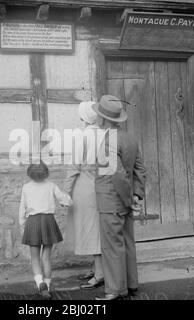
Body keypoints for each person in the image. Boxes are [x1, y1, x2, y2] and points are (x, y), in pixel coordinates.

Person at [92, 95, 146, 301]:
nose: (97, 118)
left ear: (104, 119)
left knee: (112, 245)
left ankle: (115, 290)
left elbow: (117, 174)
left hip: (111, 201)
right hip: (125, 199)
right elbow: (140, 169)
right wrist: (135, 195)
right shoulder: (130, 138)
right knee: (127, 242)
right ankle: (131, 284)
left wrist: (126, 199)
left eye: (99, 115)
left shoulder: (107, 142)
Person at [63, 101, 104, 290]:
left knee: (90, 230)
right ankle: (96, 267)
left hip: (84, 188)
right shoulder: (104, 135)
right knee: (95, 228)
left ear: (84, 118)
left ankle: (100, 273)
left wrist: (66, 192)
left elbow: (73, 168)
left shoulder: (82, 138)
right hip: (100, 186)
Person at [19, 161, 73, 299]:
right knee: (46, 257)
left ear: (29, 173)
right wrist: (68, 201)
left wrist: (22, 224)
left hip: (32, 222)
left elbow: (22, 208)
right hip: (48, 221)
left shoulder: (26, 187)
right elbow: (64, 200)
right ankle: (47, 287)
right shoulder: (51, 186)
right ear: (46, 173)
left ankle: (39, 283)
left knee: (35, 257)